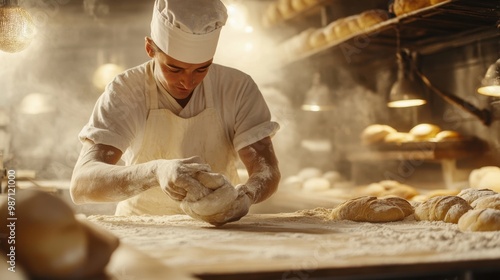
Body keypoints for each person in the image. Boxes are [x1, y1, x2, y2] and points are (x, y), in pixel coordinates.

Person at [70, 0, 281, 224]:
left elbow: (266, 171)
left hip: (220, 230)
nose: (187, 81)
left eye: (201, 68)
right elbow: (82, 185)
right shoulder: (126, 91)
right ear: (150, 48)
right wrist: (156, 171)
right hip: (142, 229)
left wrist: (245, 196)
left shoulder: (237, 88)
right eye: (174, 68)